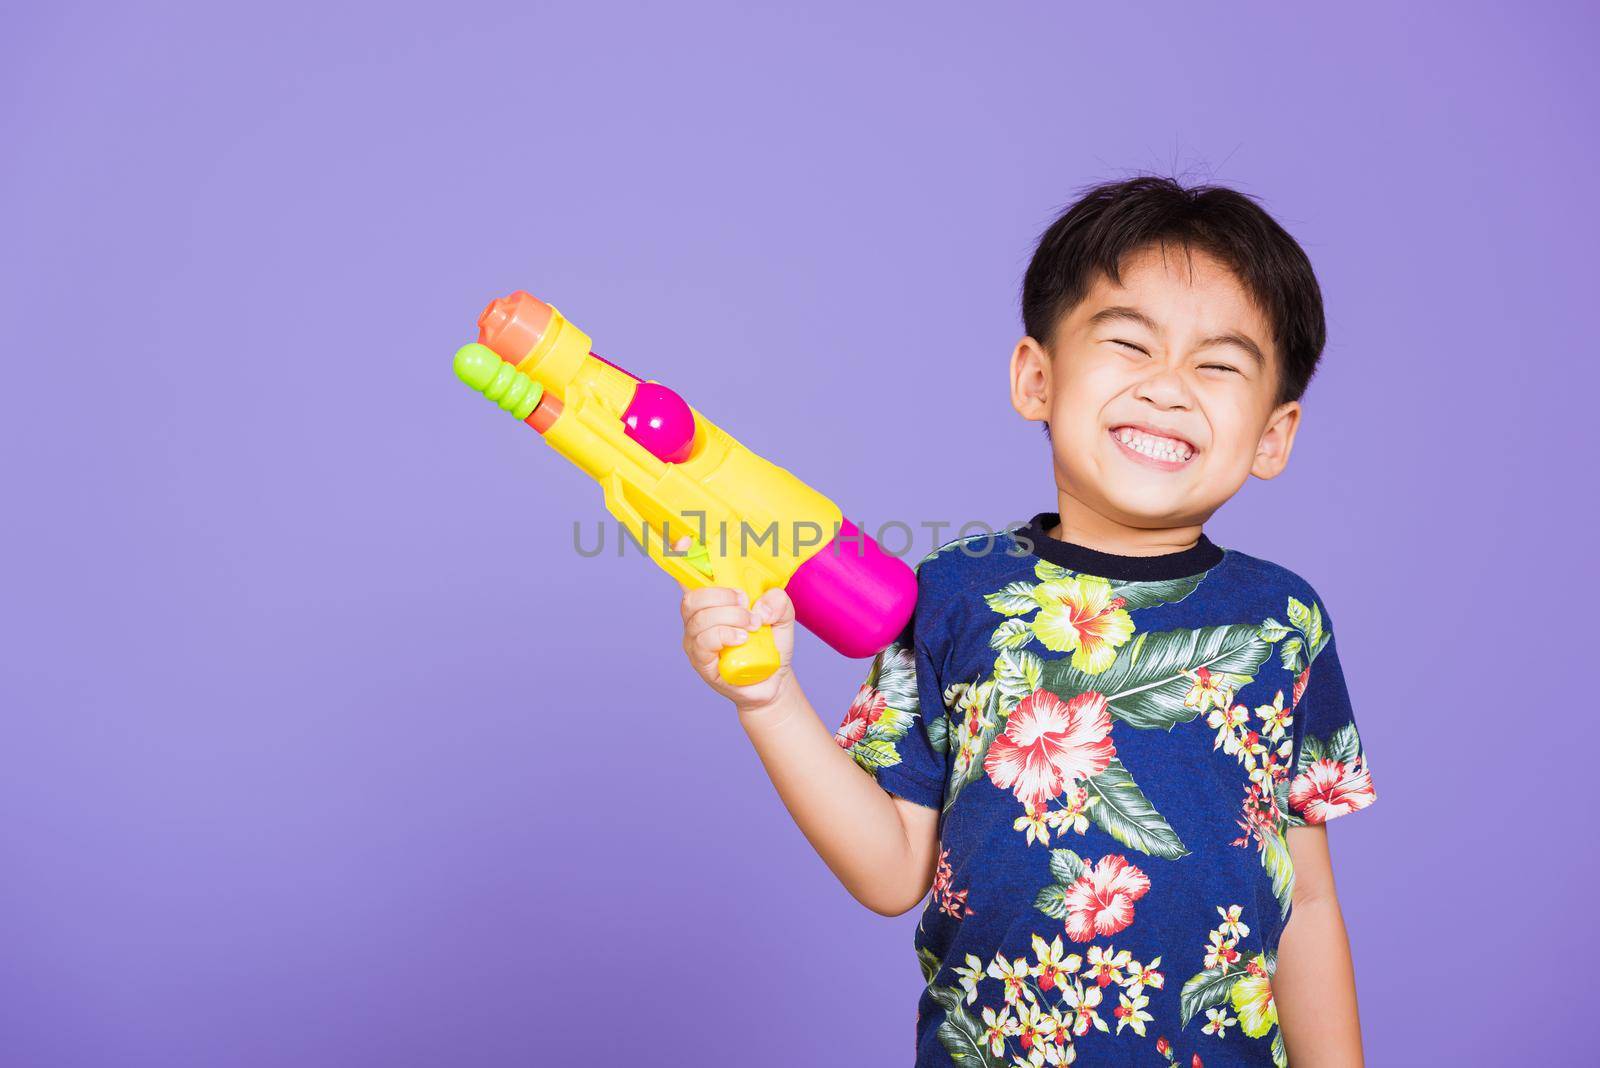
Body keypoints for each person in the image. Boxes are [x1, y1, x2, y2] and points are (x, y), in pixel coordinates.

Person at [678, 176, 1377, 1067]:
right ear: (1036, 378)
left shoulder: (1283, 620)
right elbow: (892, 870)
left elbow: (1306, 900)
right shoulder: (952, 595)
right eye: (1129, 345)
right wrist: (768, 700)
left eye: (1219, 364)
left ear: (1274, 434)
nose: (1168, 389)